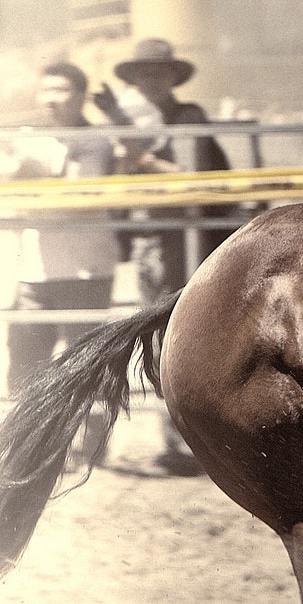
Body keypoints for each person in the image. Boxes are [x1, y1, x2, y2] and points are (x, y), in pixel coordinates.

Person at [96, 37, 234, 474]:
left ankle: (190, 439)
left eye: (159, 72)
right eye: (143, 74)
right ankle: (176, 436)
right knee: (157, 337)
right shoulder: (136, 119)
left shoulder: (188, 117)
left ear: (173, 78)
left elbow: (189, 176)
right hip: (152, 236)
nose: (150, 80)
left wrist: (137, 153)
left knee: (187, 334)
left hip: (189, 236)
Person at [0, 64, 119, 395]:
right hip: (34, 272)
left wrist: (29, 175)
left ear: (81, 97)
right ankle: (29, 446)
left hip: (84, 270)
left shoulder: (96, 141)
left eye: (60, 90)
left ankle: (90, 447)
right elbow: (5, 186)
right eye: (46, 90)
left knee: (85, 369)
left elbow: (80, 194)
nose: (51, 99)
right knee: (23, 367)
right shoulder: (30, 138)